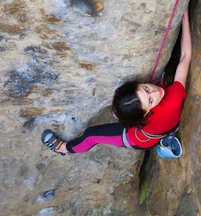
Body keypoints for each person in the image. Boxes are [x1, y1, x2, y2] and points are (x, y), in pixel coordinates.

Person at [42, 10, 192, 154]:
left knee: (92, 135)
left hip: (145, 137)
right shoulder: (174, 97)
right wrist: (185, 18)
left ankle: (64, 148)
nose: (156, 91)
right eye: (150, 97)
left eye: (147, 91)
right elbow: (185, 57)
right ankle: (65, 147)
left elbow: (185, 56)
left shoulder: (163, 105)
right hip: (145, 136)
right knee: (99, 129)